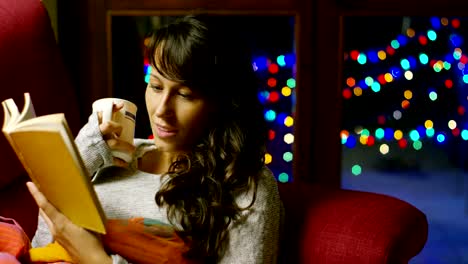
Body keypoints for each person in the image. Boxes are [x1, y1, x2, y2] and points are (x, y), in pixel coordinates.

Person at [29, 15, 284, 263]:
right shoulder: (106, 156)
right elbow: (40, 248)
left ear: (223, 104)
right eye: (156, 86)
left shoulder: (245, 184)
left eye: (185, 94)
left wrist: (94, 258)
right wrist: (80, 156)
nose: (161, 110)